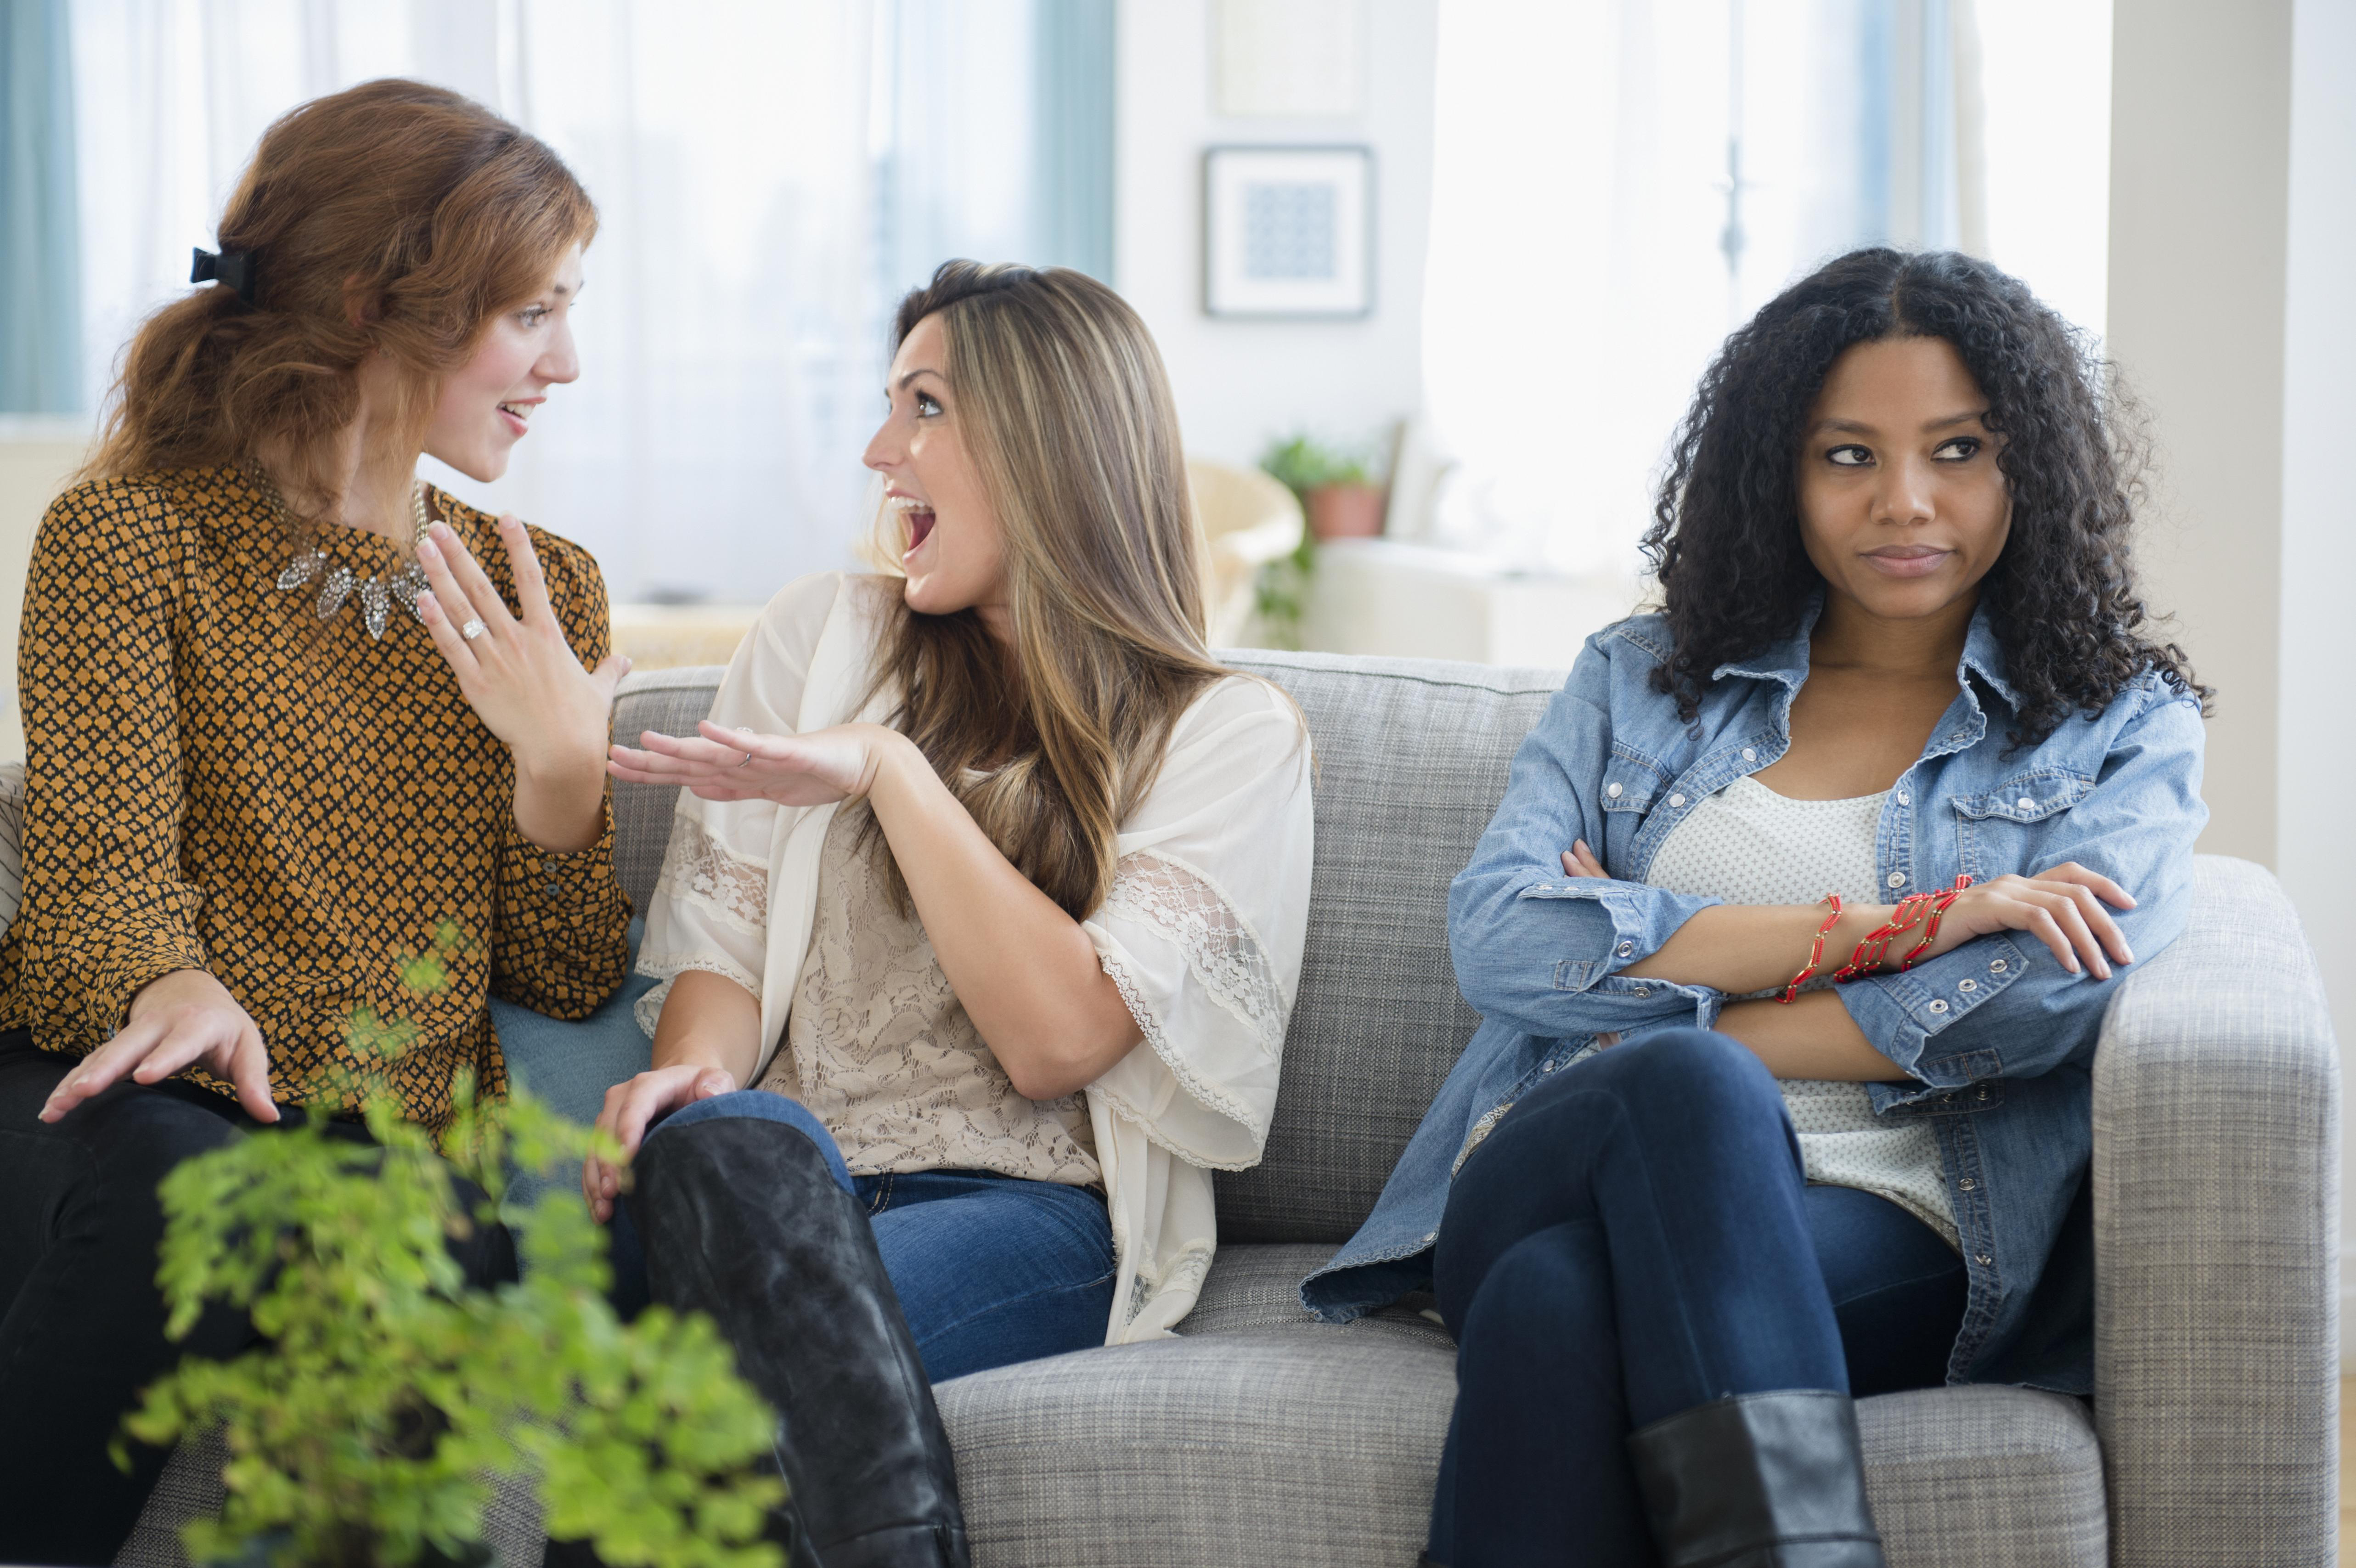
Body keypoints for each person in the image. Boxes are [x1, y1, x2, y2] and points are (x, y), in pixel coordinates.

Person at [1302, 248, 2209, 1568]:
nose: (1905, 502)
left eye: (1957, 449)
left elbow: (2041, 997)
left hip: (1898, 1213)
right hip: (1550, 1162)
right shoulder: (1638, 681)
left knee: (1562, 1302)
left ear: (2032, 469)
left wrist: (1673, 1000)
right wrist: (1906, 930)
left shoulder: (2119, 727)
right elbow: (1501, 939)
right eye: (1848, 456)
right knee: (1683, 1104)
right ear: (1773, 472)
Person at [581, 260, 1315, 1568]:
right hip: (763, 1179)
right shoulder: (822, 635)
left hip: (1017, 1207)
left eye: (922, 406)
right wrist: (685, 1082)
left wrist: (891, 771)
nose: (878, 451)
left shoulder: (1226, 734)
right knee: (726, 1143)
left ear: (1048, 442)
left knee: (704, 1395)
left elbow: (1056, 1042)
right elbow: (722, 950)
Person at [0, 81, 629, 1566]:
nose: (568, 362)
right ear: (375, 302)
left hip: (381, 1149)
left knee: (404, 1232)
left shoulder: (548, 590)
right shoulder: (127, 533)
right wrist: (175, 981)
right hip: (114, 1108)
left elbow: (565, 978)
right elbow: (98, 872)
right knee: (188, 1180)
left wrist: (558, 773)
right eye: (531, 315)